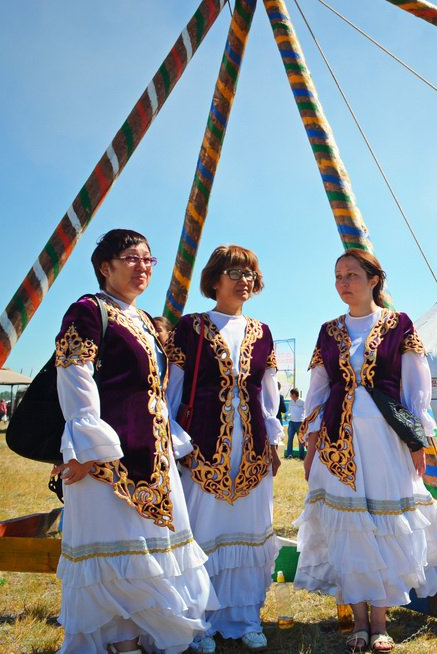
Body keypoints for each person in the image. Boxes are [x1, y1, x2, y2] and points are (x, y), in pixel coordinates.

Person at [297, 249, 437, 653]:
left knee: (384, 526)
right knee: (350, 530)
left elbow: (416, 391)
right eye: (338, 275)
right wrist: (311, 447)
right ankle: (359, 622)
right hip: (337, 443)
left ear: (374, 279)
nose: (344, 282)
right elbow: (318, 391)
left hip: (386, 441)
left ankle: (380, 621)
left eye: (353, 275)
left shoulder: (399, 325)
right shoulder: (329, 331)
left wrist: (417, 441)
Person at [52, 229, 214, 653]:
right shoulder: (88, 311)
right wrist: (87, 446)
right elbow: (74, 374)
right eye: (131, 258)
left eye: (148, 259)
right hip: (107, 459)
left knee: (149, 553)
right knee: (117, 555)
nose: (142, 266)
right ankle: (121, 644)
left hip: (154, 455)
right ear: (105, 267)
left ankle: (143, 638)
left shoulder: (144, 320)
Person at [166, 245, 282, 652]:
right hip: (201, 445)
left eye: (249, 273)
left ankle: (245, 616)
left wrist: (273, 439)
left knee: (249, 530)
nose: (243, 280)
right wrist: (171, 438)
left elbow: (269, 393)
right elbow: (173, 388)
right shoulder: (190, 326)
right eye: (235, 272)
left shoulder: (262, 332)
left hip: (251, 448)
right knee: (203, 530)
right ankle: (199, 622)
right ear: (214, 279)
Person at [285, 388, 306, 460]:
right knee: (290, 439)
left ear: (294, 394)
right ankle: (289, 454)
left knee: (301, 440)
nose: (290, 396)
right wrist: (286, 415)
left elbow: (308, 411)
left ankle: (301, 456)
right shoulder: (291, 402)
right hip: (291, 423)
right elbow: (289, 411)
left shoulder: (303, 402)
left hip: (300, 423)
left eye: (291, 394)